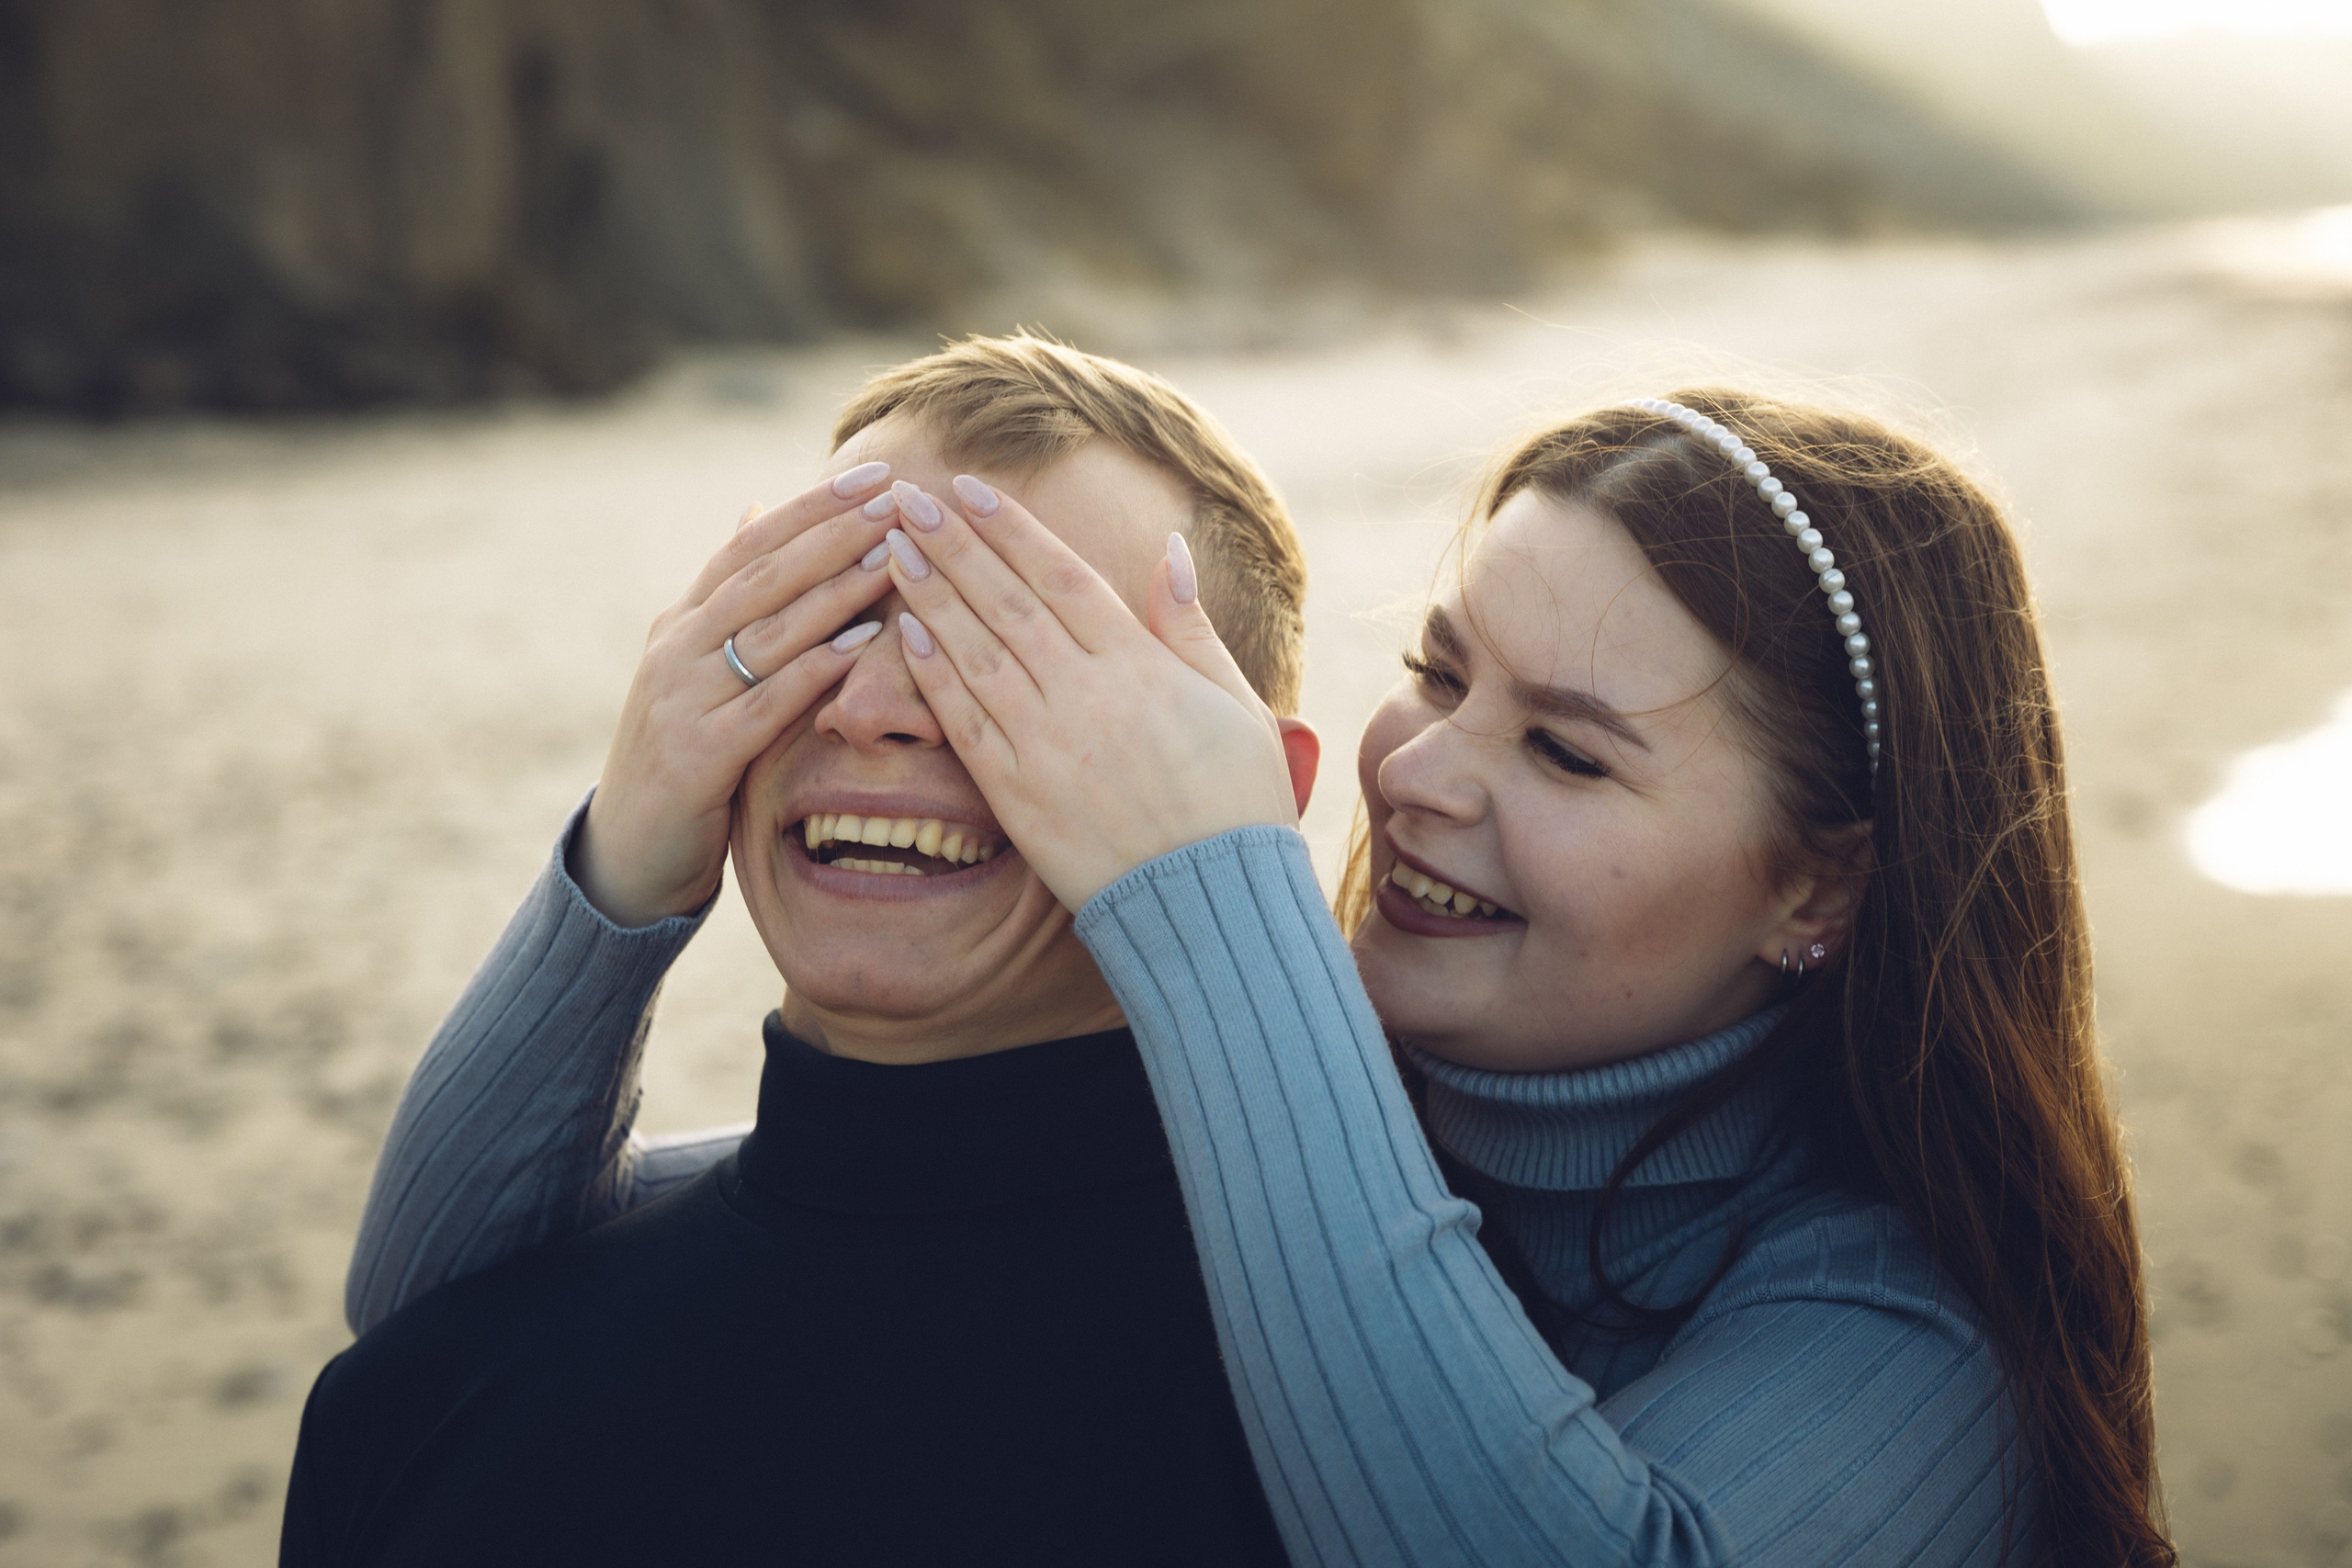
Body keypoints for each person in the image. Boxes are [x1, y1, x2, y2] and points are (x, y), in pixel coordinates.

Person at [341, 388, 2176, 1564]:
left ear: (1816, 885)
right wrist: (628, 854)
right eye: (1437, 670)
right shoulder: (1285, 1119)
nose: (1420, 772)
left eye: (1566, 750)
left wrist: (1211, 890)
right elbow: (453, 1315)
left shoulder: (1904, 1337)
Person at [279, 335, 1319, 1567]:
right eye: (821, 618)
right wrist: (624, 850)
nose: (867, 707)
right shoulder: (404, 1415)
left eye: (1011, 644)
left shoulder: (1361, 1429)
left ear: (1259, 785)